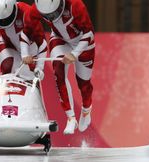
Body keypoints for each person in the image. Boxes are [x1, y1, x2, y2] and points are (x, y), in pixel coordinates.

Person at [21, 0, 95, 134]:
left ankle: (86, 110)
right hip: (60, 39)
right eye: (47, 16)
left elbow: (89, 33)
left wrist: (75, 53)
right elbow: (25, 33)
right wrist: (25, 53)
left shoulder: (76, 5)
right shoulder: (35, 9)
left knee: (83, 84)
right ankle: (71, 117)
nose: (52, 18)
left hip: (83, 42)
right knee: (58, 72)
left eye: (54, 13)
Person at [0, 0, 47, 81]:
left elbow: (42, 41)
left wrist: (40, 67)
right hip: (8, 44)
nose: (4, 22)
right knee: (7, 66)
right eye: (0, 21)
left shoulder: (27, 12)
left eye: (7, 19)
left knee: (30, 78)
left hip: (31, 48)